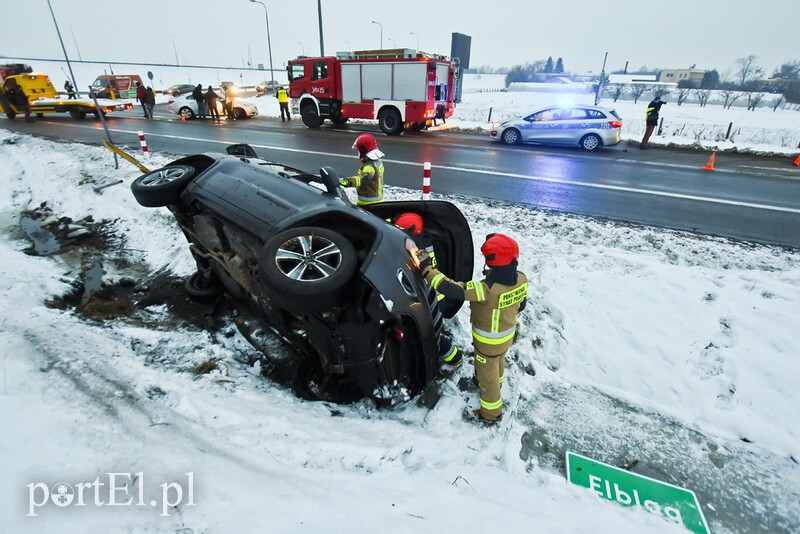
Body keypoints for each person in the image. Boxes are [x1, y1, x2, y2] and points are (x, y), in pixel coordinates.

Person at [417, 233, 528, 424]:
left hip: (488, 343)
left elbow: (449, 288)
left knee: (488, 378)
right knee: (497, 363)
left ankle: (491, 415)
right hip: (506, 337)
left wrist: (427, 268)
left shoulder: (485, 289)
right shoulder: (521, 279)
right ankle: (494, 382)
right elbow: (522, 304)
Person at [339, 134, 385, 205]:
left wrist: (348, 181)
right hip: (377, 201)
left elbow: (365, 178)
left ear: (363, 150)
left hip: (368, 204)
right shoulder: (377, 162)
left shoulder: (369, 166)